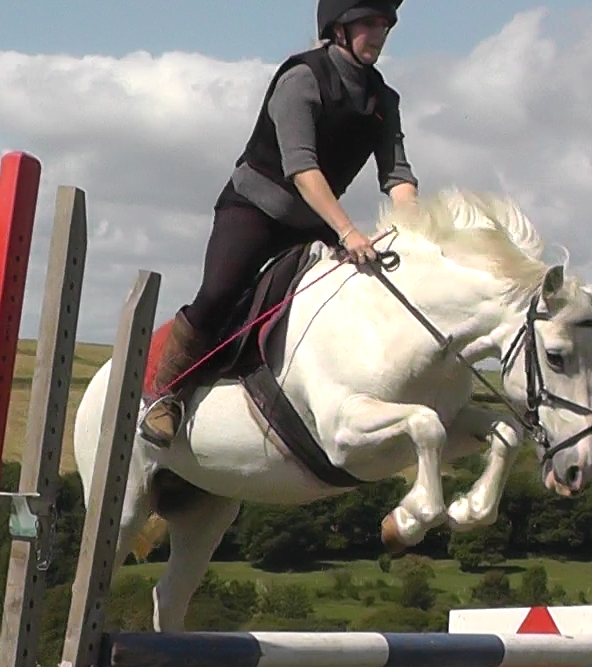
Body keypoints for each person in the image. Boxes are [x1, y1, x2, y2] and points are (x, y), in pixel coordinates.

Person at [139, 0, 421, 447]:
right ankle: (166, 395)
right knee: (220, 293)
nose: (379, 33)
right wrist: (349, 232)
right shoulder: (302, 78)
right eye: (368, 23)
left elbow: (397, 176)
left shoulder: (384, 100)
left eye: (384, 24)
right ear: (339, 29)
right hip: (256, 208)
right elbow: (302, 169)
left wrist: (419, 233)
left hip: (314, 220)